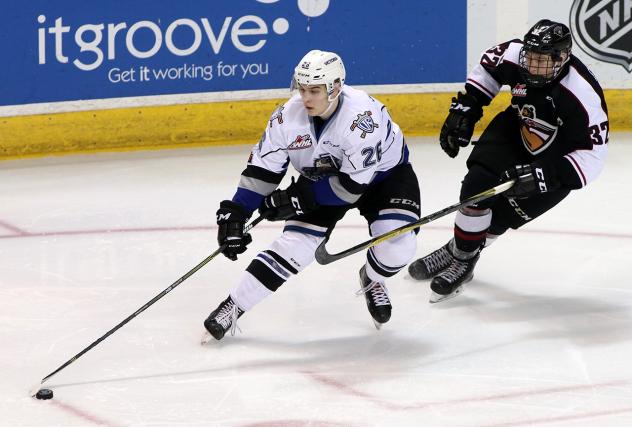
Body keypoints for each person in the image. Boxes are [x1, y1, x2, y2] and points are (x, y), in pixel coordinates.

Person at [204, 49, 421, 340]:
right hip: (320, 181)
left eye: (315, 91)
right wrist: (238, 210)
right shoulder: (286, 118)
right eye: (302, 89)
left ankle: (373, 278)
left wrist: (294, 198)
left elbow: (350, 188)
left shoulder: (361, 119)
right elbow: (263, 170)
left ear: (336, 87)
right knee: (295, 246)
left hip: (384, 179)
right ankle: (234, 306)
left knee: (398, 246)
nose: (305, 98)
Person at [408, 19, 608, 303]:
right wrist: (468, 108)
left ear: (562, 58)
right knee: (476, 188)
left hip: (555, 160)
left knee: (502, 216)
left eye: (541, 60)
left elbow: (593, 155)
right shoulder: (515, 56)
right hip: (517, 130)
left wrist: (546, 175)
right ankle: (463, 258)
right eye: (530, 57)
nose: (531, 66)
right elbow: (488, 69)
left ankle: (458, 250)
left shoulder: (582, 94)